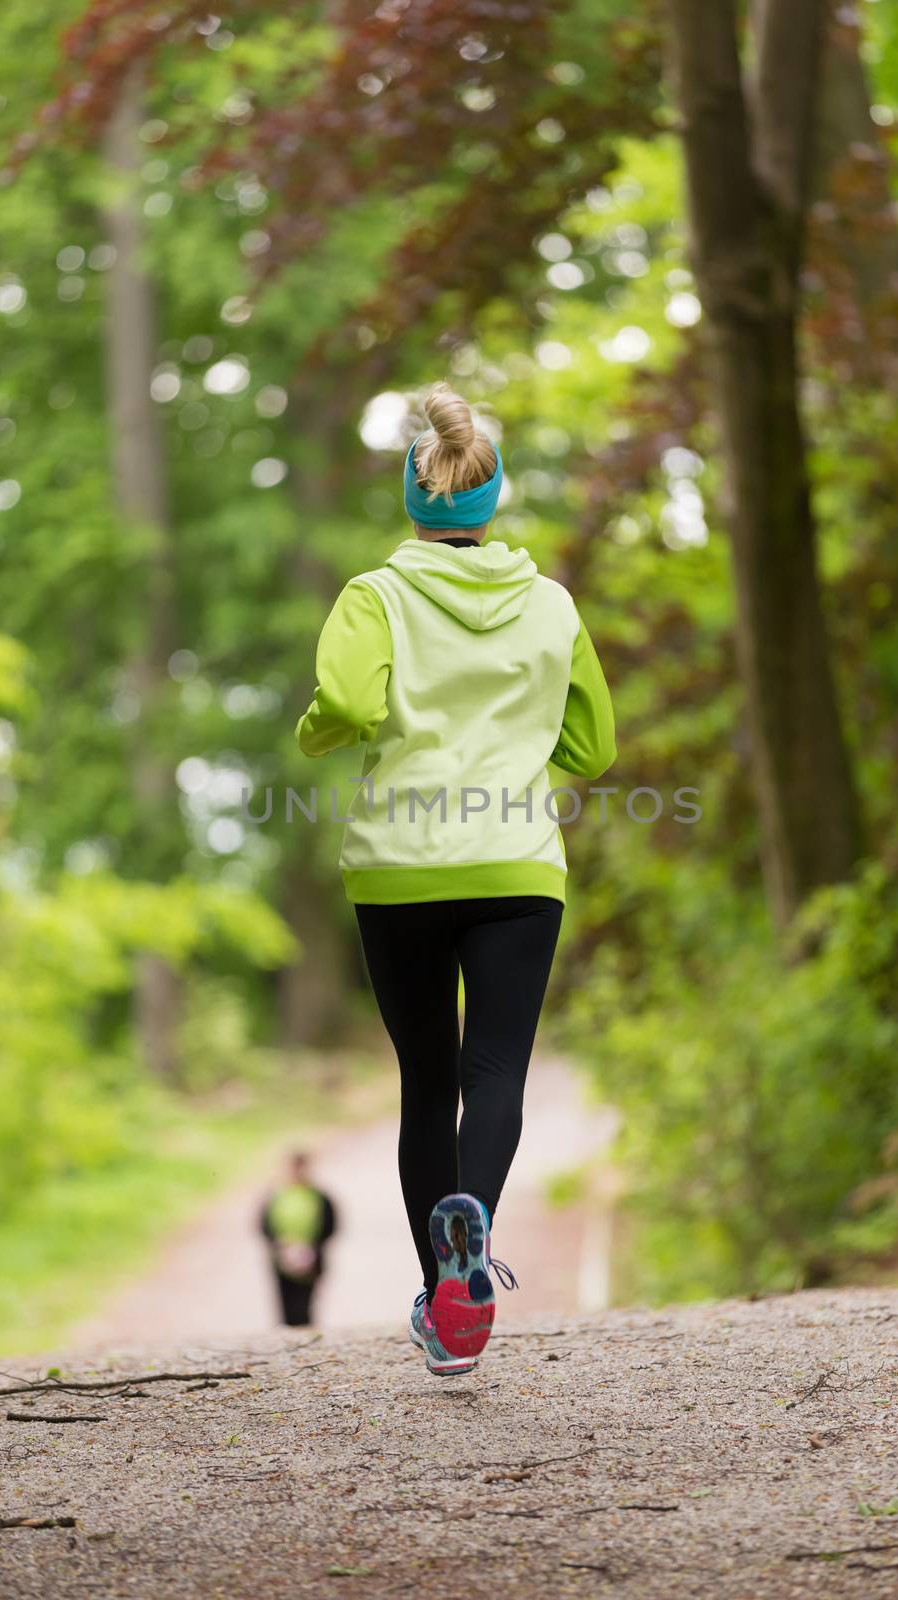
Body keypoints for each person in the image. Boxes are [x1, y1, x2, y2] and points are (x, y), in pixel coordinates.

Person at [295, 382, 616, 1375]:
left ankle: (442, 1301)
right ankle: (471, 1225)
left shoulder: (373, 597)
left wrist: (323, 729)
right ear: (490, 495)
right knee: (497, 1071)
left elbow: (346, 699)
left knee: (427, 1083)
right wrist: (516, 756)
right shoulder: (552, 605)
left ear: (414, 494)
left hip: (399, 872)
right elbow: (594, 746)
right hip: (518, 866)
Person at [260, 1151, 337, 1327]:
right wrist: (281, 1245)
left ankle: (305, 1329)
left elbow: (330, 1223)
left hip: (312, 1256)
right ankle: (287, 1332)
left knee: (306, 1299)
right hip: (281, 1256)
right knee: (285, 1299)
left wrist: (312, 1246)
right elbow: (264, 1224)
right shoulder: (276, 1195)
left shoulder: (318, 1196)